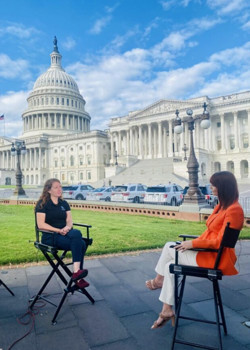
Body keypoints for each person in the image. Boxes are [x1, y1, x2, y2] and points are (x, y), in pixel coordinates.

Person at [146, 171, 244, 329]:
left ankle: (158, 281)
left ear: (223, 187)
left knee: (169, 247)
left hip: (214, 259)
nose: (211, 187)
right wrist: (194, 243)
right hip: (206, 252)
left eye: (214, 185)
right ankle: (166, 310)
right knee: (169, 266)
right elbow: (210, 233)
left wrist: (192, 244)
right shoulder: (221, 206)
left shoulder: (234, 210)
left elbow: (220, 242)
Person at [35, 178, 89, 289]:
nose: (60, 189)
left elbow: (69, 220)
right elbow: (41, 225)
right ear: (49, 190)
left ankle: (76, 273)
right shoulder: (42, 204)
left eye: (60, 187)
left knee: (77, 235)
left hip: (65, 233)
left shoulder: (64, 203)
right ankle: (78, 276)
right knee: (81, 243)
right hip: (50, 236)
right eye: (56, 187)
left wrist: (67, 228)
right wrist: (58, 230)